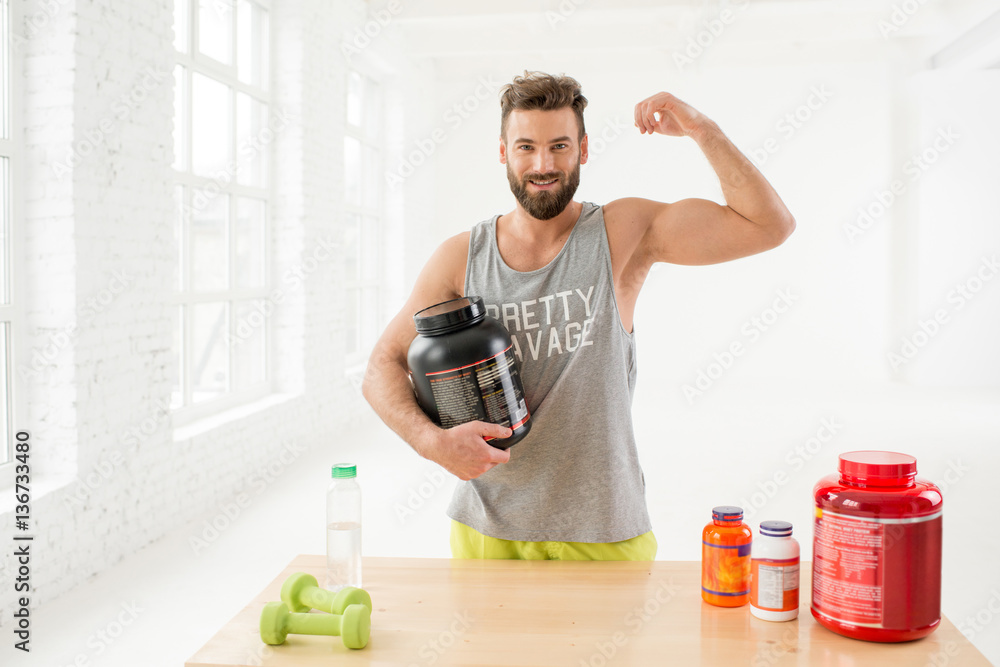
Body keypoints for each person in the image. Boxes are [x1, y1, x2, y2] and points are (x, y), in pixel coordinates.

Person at [362, 71, 795, 562]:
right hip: (486, 530)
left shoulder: (623, 231)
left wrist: (702, 130)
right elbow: (382, 365)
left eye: (559, 146)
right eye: (525, 147)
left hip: (604, 532)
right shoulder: (461, 257)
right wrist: (431, 443)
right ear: (503, 152)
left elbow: (769, 226)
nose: (543, 164)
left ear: (583, 150)